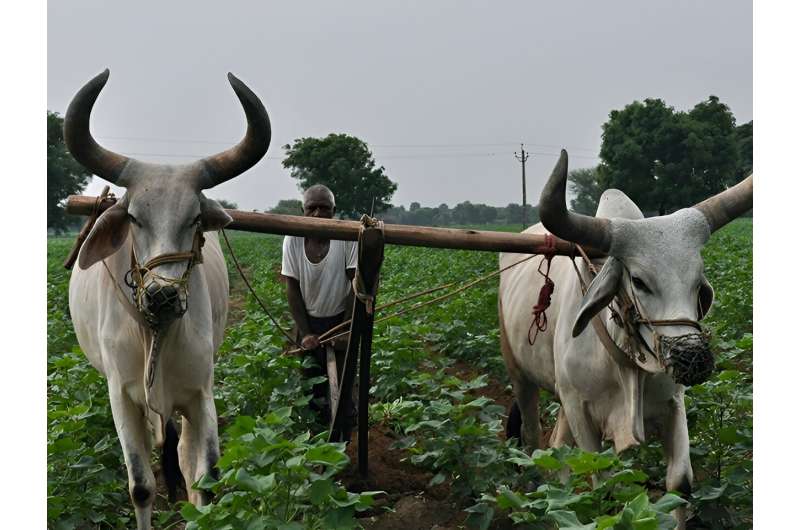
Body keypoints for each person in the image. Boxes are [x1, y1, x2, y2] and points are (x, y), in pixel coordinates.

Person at [280, 184, 357, 441]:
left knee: (343, 389)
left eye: (324, 208)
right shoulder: (292, 239)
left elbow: (356, 288)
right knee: (312, 385)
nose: (317, 214)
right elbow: (292, 288)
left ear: (334, 211)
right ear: (302, 211)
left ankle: (344, 440)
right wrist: (305, 333)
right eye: (311, 208)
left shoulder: (347, 238)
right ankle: (314, 441)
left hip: (340, 317)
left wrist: (346, 329)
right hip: (308, 319)